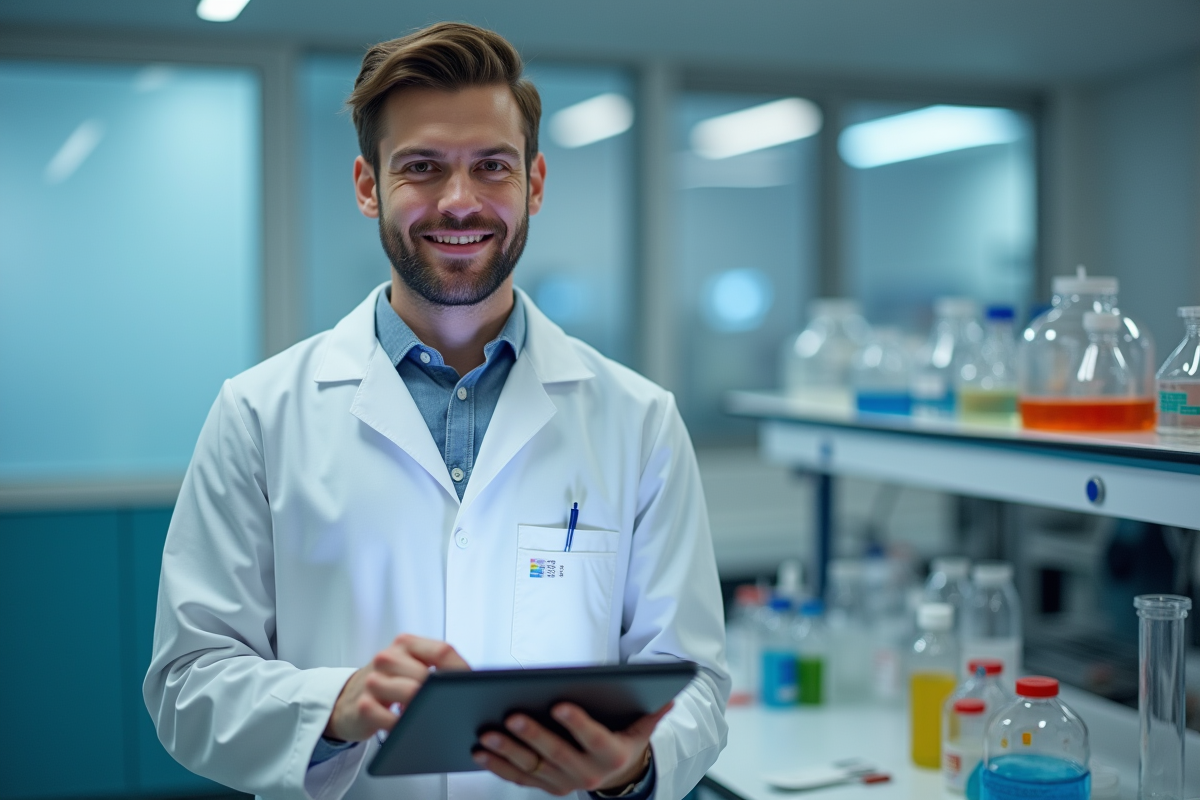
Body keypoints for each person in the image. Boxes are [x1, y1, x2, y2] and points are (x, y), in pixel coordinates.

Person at [143, 21, 729, 800]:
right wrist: (335, 706)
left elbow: (691, 677)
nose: (460, 202)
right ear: (367, 185)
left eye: (492, 166)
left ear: (536, 183)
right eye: (422, 167)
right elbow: (188, 683)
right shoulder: (259, 414)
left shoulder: (638, 420)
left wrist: (631, 766)